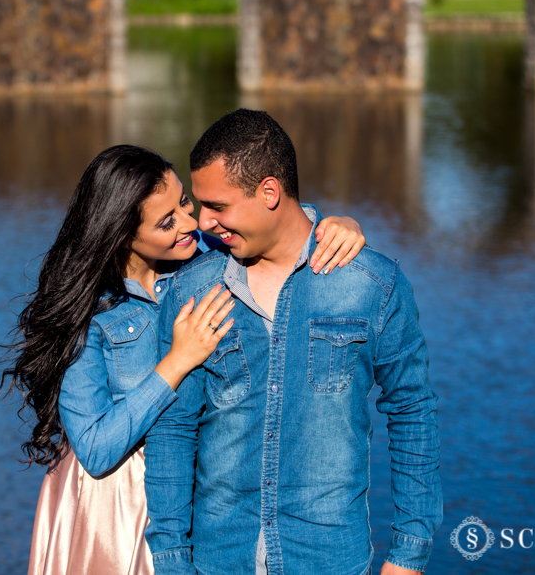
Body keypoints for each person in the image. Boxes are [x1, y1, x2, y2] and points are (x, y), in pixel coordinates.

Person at [0, 145, 367, 575]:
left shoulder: (206, 255)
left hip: (203, 493)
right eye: (166, 222)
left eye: (184, 203)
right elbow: (96, 449)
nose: (191, 223)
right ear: (122, 235)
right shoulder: (89, 315)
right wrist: (177, 361)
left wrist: (332, 227)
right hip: (119, 507)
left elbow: (274, 225)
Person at [144, 110, 443, 575]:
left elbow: (412, 412)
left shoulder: (372, 285)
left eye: (217, 206)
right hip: (219, 560)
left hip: (329, 560)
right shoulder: (191, 290)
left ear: (269, 192)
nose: (202, 222)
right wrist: (171, 561)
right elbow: (173, 433)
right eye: (200, 205)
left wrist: (408, 554)